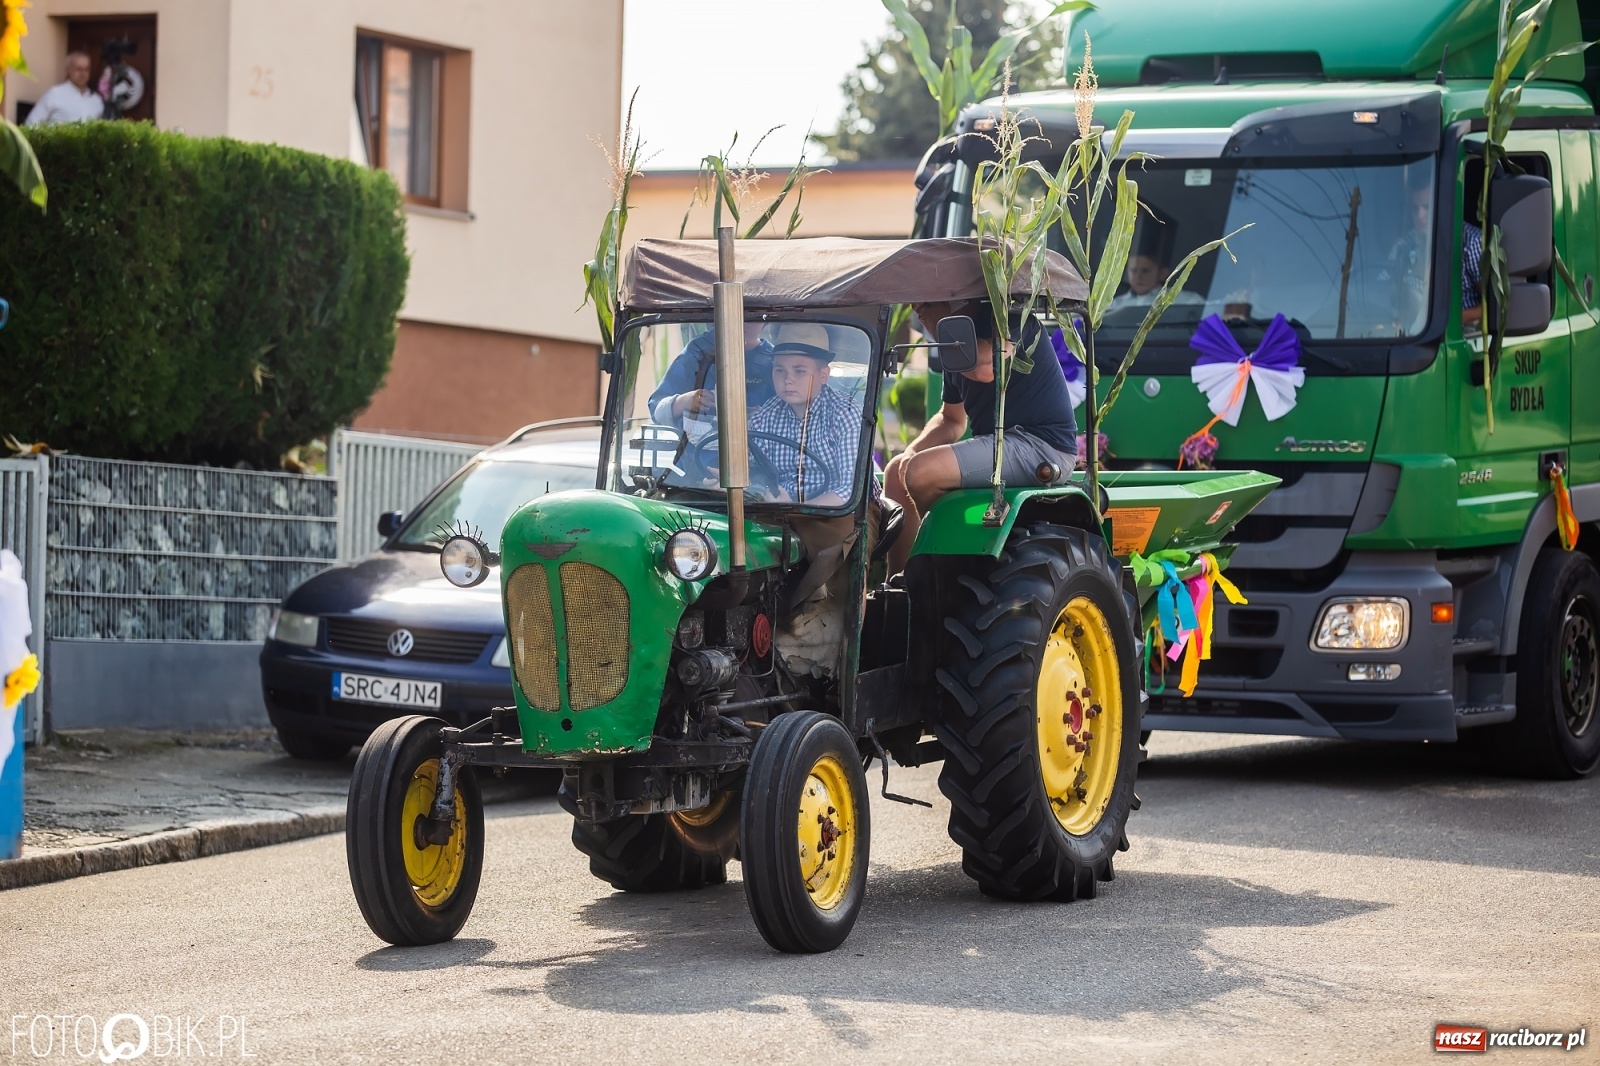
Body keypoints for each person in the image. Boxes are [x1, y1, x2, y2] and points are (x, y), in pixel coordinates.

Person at [884, 302, 1079, 575]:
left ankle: (939, 569)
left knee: (922, 472)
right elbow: (952, 419)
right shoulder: (951, 343)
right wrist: (912, 450)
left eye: (928, 298)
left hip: (1041, 446)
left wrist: (943, 320)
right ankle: (899, 584)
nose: (917, 306)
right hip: (1000, 445)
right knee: (897, 471)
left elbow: (984, 368)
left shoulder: (1009, 318)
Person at [747, 323, 859, 507]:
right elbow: (758, 475)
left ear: (823, 375)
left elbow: (849, 489)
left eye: (799, 371)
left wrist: (798, 511)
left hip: (838, 513)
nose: (788, 380)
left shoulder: (844, 413)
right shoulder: (767, 414)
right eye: (780, 370)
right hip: (779, 511)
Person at [648, 321, 775, 437]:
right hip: (697, 458)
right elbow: (656, 409)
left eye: (751, 316)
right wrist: (684, 401)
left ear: (765, 320)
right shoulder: (698, 351)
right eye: (731, 314)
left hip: (759, 458)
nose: (740, 322)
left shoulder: (775, 361)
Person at [24, 52, 105, 127]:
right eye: (78, 69)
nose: (83, 74)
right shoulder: (55, 94)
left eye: (86, 69)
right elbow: (31, 124)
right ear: (67, 70)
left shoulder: (96, 100)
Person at [1107, 252, 1204, 313]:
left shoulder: (1188, 302)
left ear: (1162, 273)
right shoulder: (1114, 306)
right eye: (1133, 271)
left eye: (1145, 271)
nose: (1138, 276)